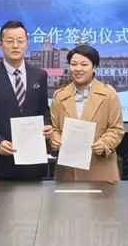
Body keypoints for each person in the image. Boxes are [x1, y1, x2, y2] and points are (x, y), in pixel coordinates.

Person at [0, 20, 52, 180]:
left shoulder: (40, 75)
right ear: (0, 45)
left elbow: (43, 110)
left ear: (27, 44)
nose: (15, 46)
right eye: (10, 41)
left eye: (20, 41)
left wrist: (48, 125)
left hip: (32, 164)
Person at [50, 45, 124, 181]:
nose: (78, 69)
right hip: (67, 171)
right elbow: (55, 128)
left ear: (94, 67)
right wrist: (55, 139)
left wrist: (105, 143)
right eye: (74, 64)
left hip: (100, 169)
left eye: (84, 64)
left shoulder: (108, 94)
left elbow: (116, 129)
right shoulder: (60, 96)